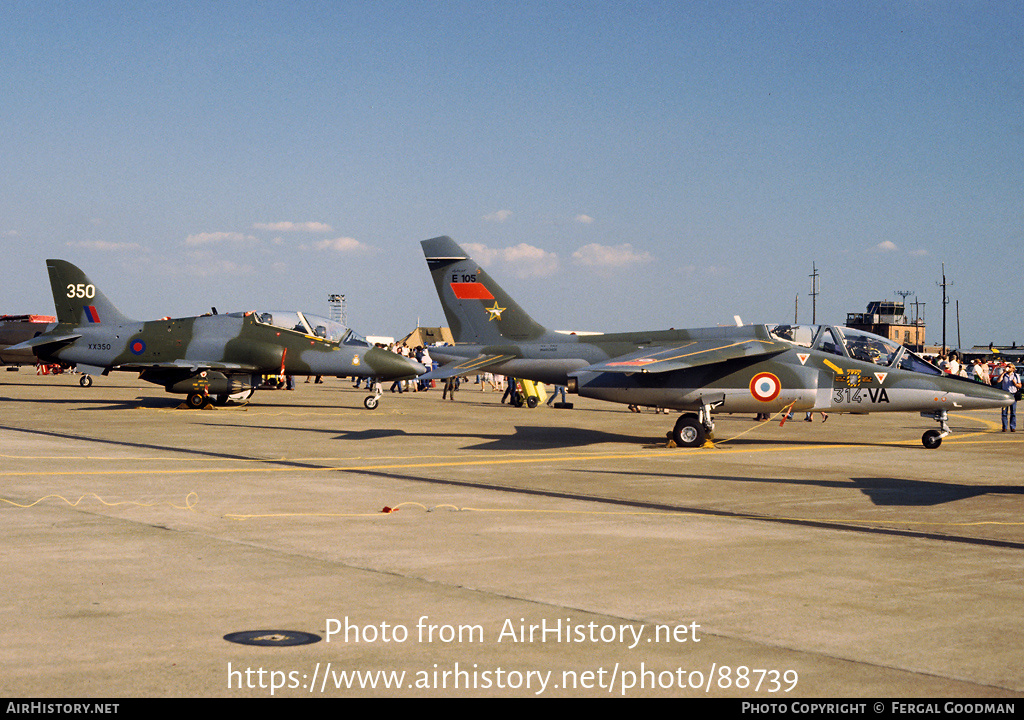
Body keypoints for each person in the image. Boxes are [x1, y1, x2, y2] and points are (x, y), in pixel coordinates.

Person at [993, 362, 1021, 432]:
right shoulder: (1004, 375)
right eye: (1007, 366)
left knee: (1013, 412)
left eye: (1009, 367)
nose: (1008, 367)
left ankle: (1012, 426)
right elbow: (998, 380)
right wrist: (1003, 373)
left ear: (1013, 369)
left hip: (1013, 394)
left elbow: (1019, 385)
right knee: (1004, 412)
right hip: (1005, 394)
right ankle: (1004, 427)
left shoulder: (1016, 375)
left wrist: (1015, 384)